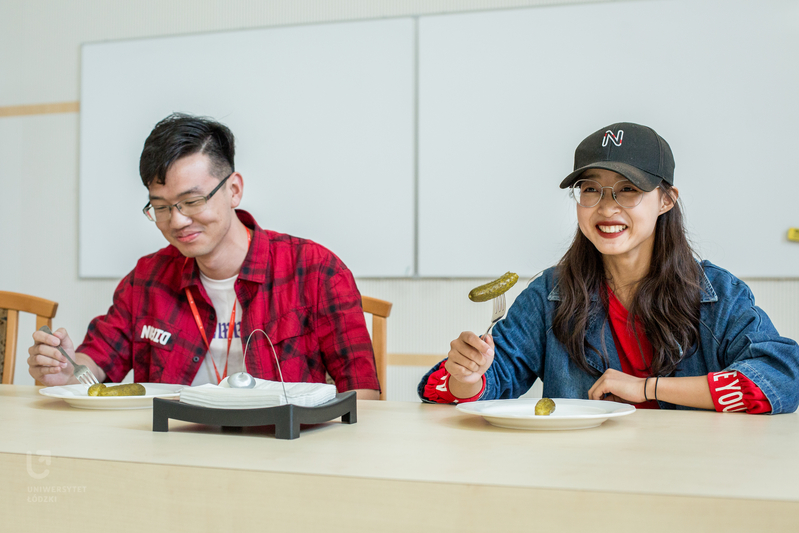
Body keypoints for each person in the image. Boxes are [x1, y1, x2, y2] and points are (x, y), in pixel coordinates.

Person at [418, 122, 799, 414]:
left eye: (628, 189)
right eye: (590, 189)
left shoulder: (716, 294)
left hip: (692, 475)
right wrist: (467, 377)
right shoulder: (550, 294)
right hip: (583, 478)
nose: (605, 208)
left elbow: (781, 378)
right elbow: (487, 383)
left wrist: (647, 388)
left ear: (666, 200)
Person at [28, 113, 380, 399]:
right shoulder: (147, 278)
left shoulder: (316, 271)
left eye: (193, 201)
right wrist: (65, 370)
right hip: (171, 452)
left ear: (234, 190)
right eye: (161, 207)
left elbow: (362, 394)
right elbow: (98, 362)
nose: (178, 221)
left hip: (279, 451)